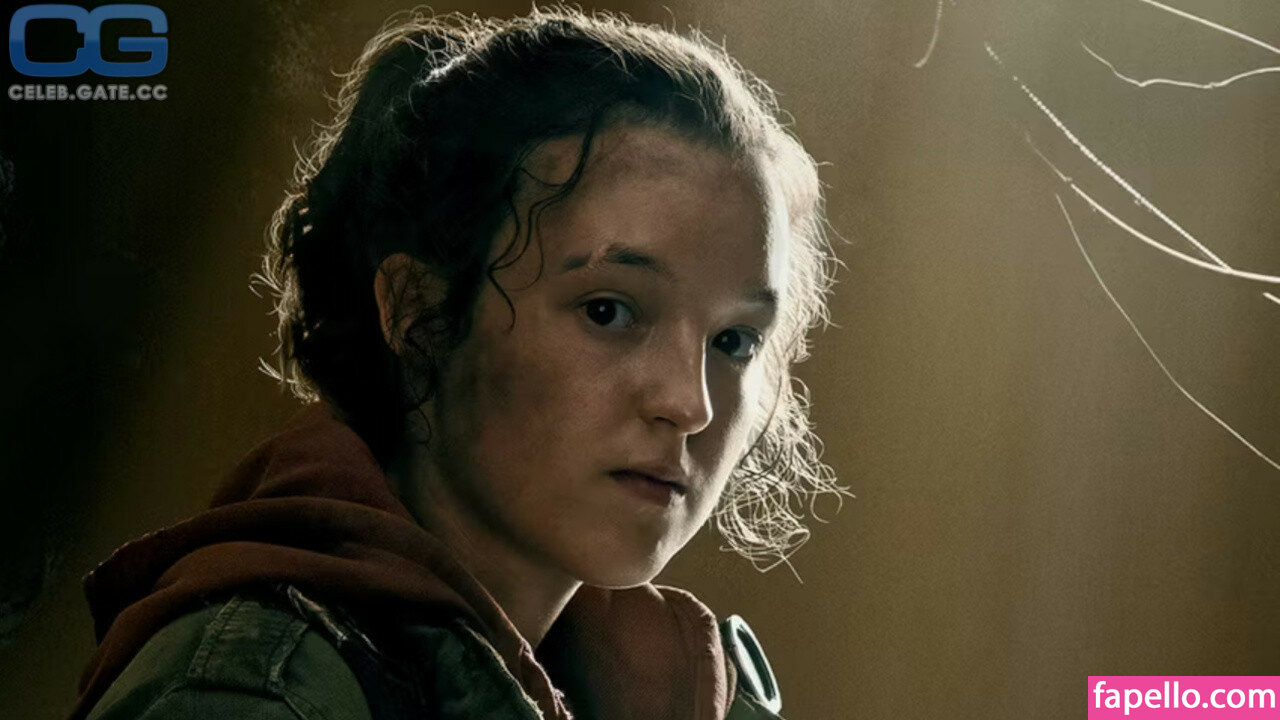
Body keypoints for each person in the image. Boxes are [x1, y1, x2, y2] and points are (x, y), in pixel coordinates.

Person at [69, 7, 842, 719]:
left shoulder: (664, 690)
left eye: (734, 342)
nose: (690, 404)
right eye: (607, 310)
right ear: (420, 314)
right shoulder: (255, 696)